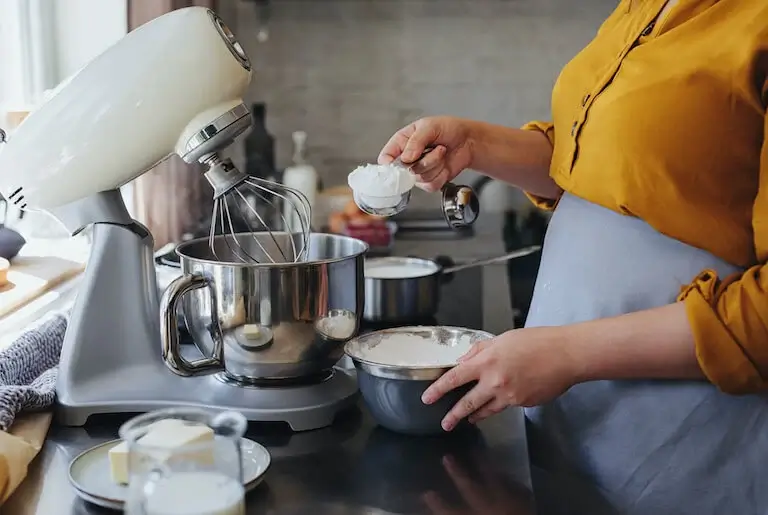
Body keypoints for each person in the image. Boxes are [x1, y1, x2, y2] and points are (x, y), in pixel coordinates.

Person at [378, 0, 768, 514]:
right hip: (580, 412)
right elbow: (602, 165)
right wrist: (474, 143)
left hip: (688, 425)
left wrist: (569, 353)